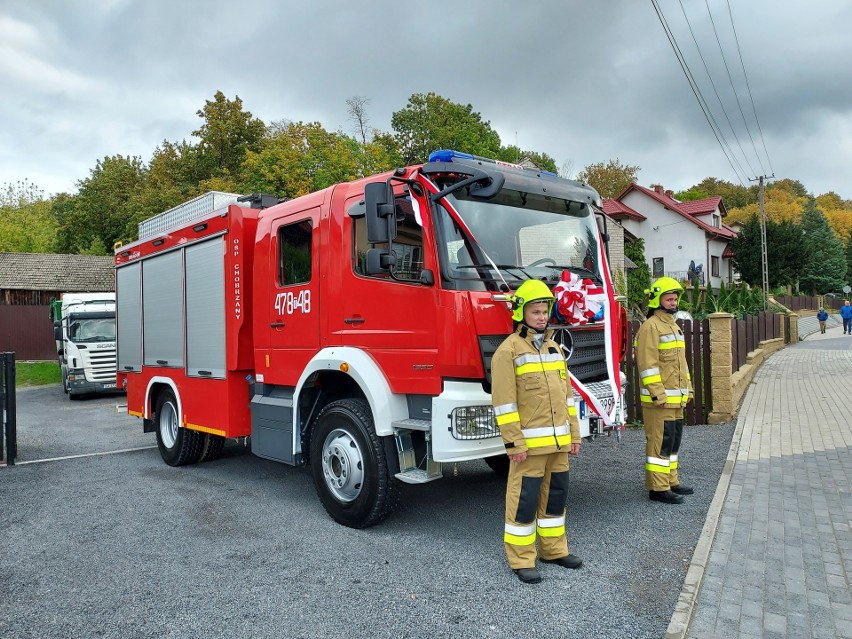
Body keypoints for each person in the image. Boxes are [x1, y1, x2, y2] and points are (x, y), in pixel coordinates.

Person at [491, 279, 582, 584]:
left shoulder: (554, 348)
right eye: (535, 312)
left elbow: (567, 396)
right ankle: (521, 559)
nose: (542, 317)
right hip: (528, 447)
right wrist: (514, 443)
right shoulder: (508, 352)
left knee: (556, 498)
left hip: (558, 444)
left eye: (545, 311)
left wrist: (574, 435)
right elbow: (504, 403)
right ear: (521, 313)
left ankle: (554, 550)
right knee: (524, 501)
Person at [635, 277, 694, 505]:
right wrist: (657, 393)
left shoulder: (672, 325)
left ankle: (671, 481)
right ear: (656, 300)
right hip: (660, 401)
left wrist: (687, 390)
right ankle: (658, 488)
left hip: (675, 399)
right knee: (660, 442)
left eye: (675, 298)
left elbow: (682, 364)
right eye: (669, 299)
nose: (673, 302)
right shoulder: (651, 327)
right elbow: (647, 365)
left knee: (672, 441)